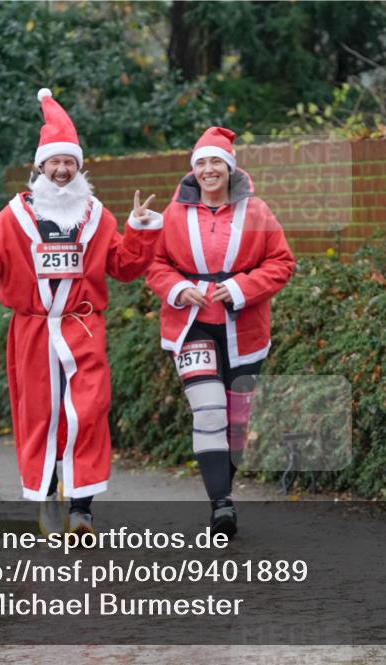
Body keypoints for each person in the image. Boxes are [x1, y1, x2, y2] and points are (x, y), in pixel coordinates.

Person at [0, 88, 163, 534]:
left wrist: (140, 230)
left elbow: (123, 266)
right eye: (55, 162)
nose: (63, 170)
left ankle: (82, 509)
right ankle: (47, 498)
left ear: (79, 166)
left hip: (82, 327)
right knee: (41, 417)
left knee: (88, 411)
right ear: (40, 167)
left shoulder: (97, 215)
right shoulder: (12, 217)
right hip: (32, 331)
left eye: (70, 161)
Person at [146, 127, 295, 538]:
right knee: (209, 411)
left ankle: (222, 492)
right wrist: (178, 288)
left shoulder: (257, 211)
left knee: (235, 423)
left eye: (216, 162)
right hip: (191, 325)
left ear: (230, 168)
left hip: (245, 330)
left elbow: (282, 262)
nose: (209, 170)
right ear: (193, 170)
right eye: (201, 163)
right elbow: (154, 263)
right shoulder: (174, 213)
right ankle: (221, 505)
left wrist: (244, 287)